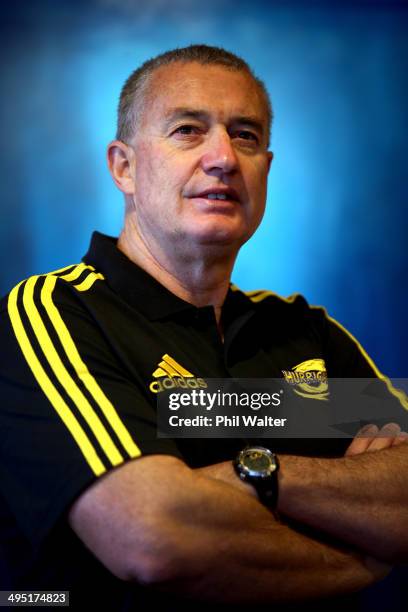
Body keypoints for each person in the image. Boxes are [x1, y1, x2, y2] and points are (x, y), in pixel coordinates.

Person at [0, 44, 407, 612]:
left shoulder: (305, 331)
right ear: (124, 167)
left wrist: (261, 474)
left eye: (245, 134)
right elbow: (153, 536)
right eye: (188, 130)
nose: (223, 157)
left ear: (267, 165)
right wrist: (359, 559)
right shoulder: (51, 315)